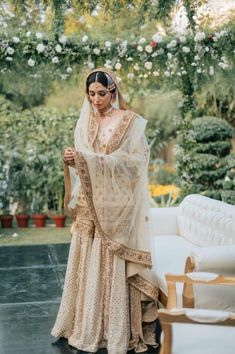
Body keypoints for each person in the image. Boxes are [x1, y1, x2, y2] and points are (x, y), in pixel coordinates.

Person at [51, 68, 159, 354]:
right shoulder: (85, 121)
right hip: (89, 201)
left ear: (113, 91)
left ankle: (113, 328)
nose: (96, 100)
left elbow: (136, 163)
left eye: (101, 93)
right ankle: (83, 324)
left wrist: (90, 158)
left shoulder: (129, 122)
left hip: (116, 204)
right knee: (86, 257)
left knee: (109, 258)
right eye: (91, 94)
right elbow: (82, 157)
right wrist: (72, 158)